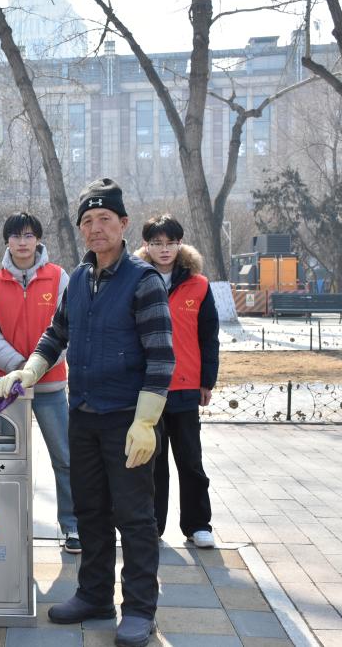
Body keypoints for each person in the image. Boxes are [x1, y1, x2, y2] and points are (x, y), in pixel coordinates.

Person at [0, 179, 174, 647]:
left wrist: (146, 421)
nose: (96, 229)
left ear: (123, 224)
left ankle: (139, 610)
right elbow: (56, 335)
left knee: (134, 517)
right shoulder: (77, 279)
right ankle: (94, 595)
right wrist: (29, 371)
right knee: (90, 510)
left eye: (105, 219)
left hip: (127, 419)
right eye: (88, 221)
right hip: (84, 415)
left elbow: (161, 358)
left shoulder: (144, 281)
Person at [0, 212, 79, 553]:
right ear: (6, 241)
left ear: (38, 239)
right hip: (9, 390)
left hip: (51, 387)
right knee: (9, 460)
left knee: (65, 458)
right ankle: (11, 525)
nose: (22, 242)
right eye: (15, 236)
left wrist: (37, 368)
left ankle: (72, 525)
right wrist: (21, 368)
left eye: (28, 235)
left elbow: (68, 330)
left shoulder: (59, 277)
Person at [135, 215, 219, 549]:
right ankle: (151, 526)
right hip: (148, 388)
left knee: (190, 461)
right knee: (151, 462)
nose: (164, 249)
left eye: (170, 242)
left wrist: (206, 381)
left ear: (180, 244)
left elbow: (208, 337)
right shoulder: (136, 280)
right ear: (146, 246)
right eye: (156, 243)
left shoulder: (199, 285)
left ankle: (198, 525)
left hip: (185, 386)